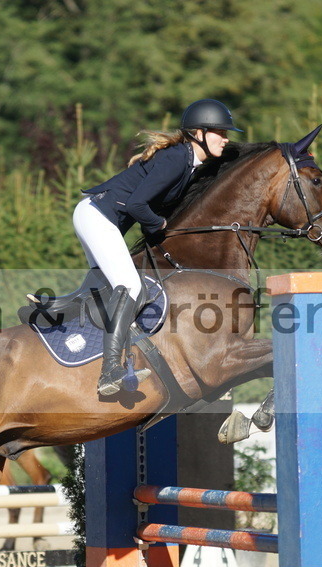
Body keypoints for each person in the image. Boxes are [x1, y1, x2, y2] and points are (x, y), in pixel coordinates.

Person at [76, 99, 243, 396]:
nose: (226, 137)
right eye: (220, 131)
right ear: (199, 133)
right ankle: (110, 371)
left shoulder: (188, 162)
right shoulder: (177, 159)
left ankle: (50, 310)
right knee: (130, 286)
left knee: (102, 285)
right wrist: (159, 226)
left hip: (95, 215)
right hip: (96, 216)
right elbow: (138, 204)